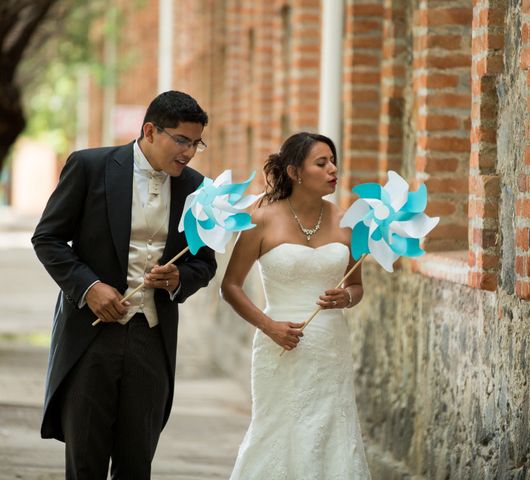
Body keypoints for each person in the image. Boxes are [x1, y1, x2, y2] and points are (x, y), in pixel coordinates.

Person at [32, 90, 217, 479]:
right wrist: (89, 287)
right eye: (181, 140)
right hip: (90, 337)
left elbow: (205, 262)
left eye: (196, 143)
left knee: (137, 461)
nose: (189, 152)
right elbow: (47, 238)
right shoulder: (90, 166)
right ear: (150, 130)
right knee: (86, 458)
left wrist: (179, 278)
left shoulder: (198, 189)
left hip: (152, 337)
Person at [221, 132, 371, 479]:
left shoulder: (350, 223)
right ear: (294, 171)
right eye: (322, 162)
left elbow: (357, 286)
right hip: (279, 346)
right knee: (276, 431)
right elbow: (230, 287)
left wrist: (345, 298)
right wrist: (269, 326)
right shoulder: (261, 219)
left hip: (330, 347)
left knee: (332, 433)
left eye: (334, 161)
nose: (334, 169)